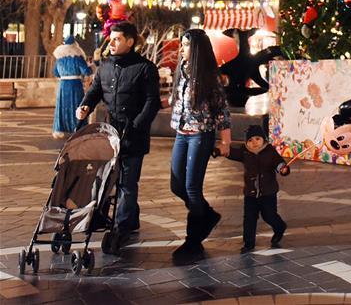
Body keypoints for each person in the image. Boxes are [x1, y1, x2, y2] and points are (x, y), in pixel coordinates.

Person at [77, 21, 161, 249]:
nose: (111, 43)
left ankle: (122, 226)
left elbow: (152, 102)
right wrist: (85, 106)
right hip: (109, 134)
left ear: (130, 41)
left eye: (117, 39)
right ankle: (110, 216)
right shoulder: (105, 66)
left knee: (127, 183)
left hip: (133, 134)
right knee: (103, 178)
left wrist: (136, 126)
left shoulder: (145, 68)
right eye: (110, 39)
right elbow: (95, 92)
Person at [169, 28, 232, 260]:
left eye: (185, 45)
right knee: (177, 185)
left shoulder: (209, 76)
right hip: (181, 133)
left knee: (192, 188)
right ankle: (207, 215)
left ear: (196, 49)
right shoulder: (181, 71)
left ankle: (193, 239)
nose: (181, 49)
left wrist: (225, 141)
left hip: (200, 135)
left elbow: (222, 111)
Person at [224, 124, 290, 253]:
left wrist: (282, 169)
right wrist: (220, 151)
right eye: (250, 140)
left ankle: (280, 227)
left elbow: (278, 162)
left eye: (257, 139)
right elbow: (232, 152)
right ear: (246, 143)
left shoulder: (270, 151)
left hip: (268, 192)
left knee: (269, 215)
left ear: (264, 139)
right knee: (249, 218)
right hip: (251, 193)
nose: (254, 143)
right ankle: (249, 243)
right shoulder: (244, 152)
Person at [52, 37, 92, 139]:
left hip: (63, 85)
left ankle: (60, 129)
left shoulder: (59, 59)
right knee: (77, 106)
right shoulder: (78, 57)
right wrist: (91, 66)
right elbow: (86, 71)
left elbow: (55, 73)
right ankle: (78, 128)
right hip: (75, 85)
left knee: (62, 107)